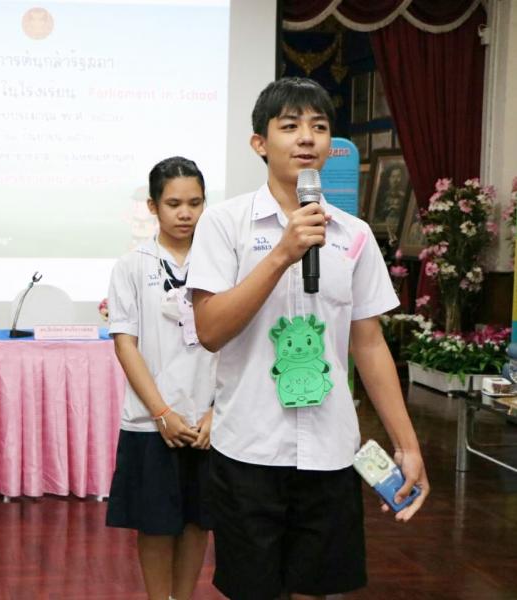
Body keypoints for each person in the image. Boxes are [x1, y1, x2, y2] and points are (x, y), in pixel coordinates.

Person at [187, 77, 429, 600]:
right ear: (259, 142)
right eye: (290, 125)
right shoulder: (224, 225)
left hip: (330, 448)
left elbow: (369, 344)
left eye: (318, 127)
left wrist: (407, 446)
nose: (306, 138)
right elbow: (210, 330)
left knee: (320, 590)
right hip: (249, 448)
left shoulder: (354, 234)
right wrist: (281, 254)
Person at [106, 156, 218, 600]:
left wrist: (216, 411)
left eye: (195, 203)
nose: (185, 213)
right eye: (174, 204)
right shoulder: (131, 266)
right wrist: (161, 412)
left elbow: (237, 342)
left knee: (197, 522)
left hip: (206, 420)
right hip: (151, 421)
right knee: (154, 525)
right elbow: (125, 345)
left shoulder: (222, 263)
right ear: (153, 207)